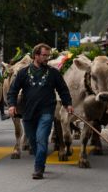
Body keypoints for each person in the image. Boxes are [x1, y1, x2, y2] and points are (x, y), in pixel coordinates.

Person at [7, 43, 73, 180]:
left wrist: (68, 104)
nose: (47, 58)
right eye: (44, 55)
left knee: (42, 139)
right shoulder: (23, 73)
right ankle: (41, 162)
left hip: (46, 111)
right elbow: (13, 90)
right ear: (36, 55)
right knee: (33, 142)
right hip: (28, 112)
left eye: (48, 56)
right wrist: (12, 105)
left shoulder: (53, 73)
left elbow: (63, 89)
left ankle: (38, 169)